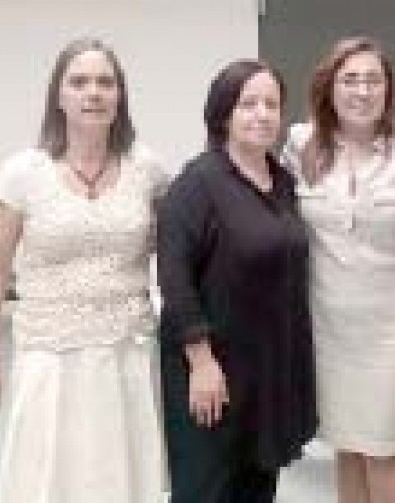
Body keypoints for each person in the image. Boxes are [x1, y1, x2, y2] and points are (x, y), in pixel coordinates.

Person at [0, 37, 167, 502]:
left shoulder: (148, 171)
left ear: (120, 95)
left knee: (120, 478)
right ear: (58, 96)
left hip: (126, 355)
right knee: (49, 478)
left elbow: (177, 255)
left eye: (105, 82)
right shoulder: (22, 173)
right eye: (78, 82)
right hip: (50, 355)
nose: (92, 92)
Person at [283, 36, 395, 503]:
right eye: (350, 80)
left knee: (385, 450)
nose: (362, 91)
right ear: (329, 88)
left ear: (389, 90)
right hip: (330, 327)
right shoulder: (301, 146)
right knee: (347, 448)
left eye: (374, 80)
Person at [157, 59, 317, 502]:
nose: (262, 114)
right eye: (248, 104)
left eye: (271, 104)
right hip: (214, 371)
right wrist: (202, 363)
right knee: (206, 488)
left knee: (257, 487)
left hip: (268, 370)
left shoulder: (282, 182)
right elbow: (174, 277)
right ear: (223, 113)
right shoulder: (198, 183)